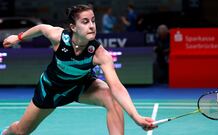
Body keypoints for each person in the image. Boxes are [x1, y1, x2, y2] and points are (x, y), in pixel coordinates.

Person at [1, 4, 156, 135]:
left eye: (93, 21)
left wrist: (136, 116)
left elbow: (116, 87)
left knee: (111, 98)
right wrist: (18, 37)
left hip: (81, 86)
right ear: (73, 27)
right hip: (51, 90)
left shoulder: (100, 54)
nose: (91, 26)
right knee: (22, 131)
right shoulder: (59, 37)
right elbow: (42, 28)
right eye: (85, 21)